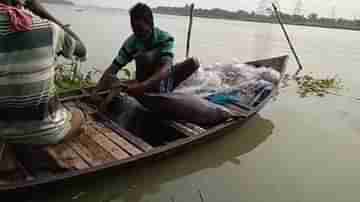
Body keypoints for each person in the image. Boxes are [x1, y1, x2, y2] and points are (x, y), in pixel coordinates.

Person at [0, 0, 87, 147]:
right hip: (44, 133)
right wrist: (42, 12)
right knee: (78, 115)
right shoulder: (49, 29)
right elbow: (82, 49)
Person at [93, 2, 199, 110]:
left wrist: (142, 87)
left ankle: (160, 90)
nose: (137, 33)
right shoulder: (131, 42)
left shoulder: (165, 38)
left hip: (162, 80)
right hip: (144, 82)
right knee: (143, 57)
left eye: (140, 29)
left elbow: (166, 68)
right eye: (134, 28)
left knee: (194, 62)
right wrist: (97, 90)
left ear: (150, 24)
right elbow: (113, 68)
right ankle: (153, 92)